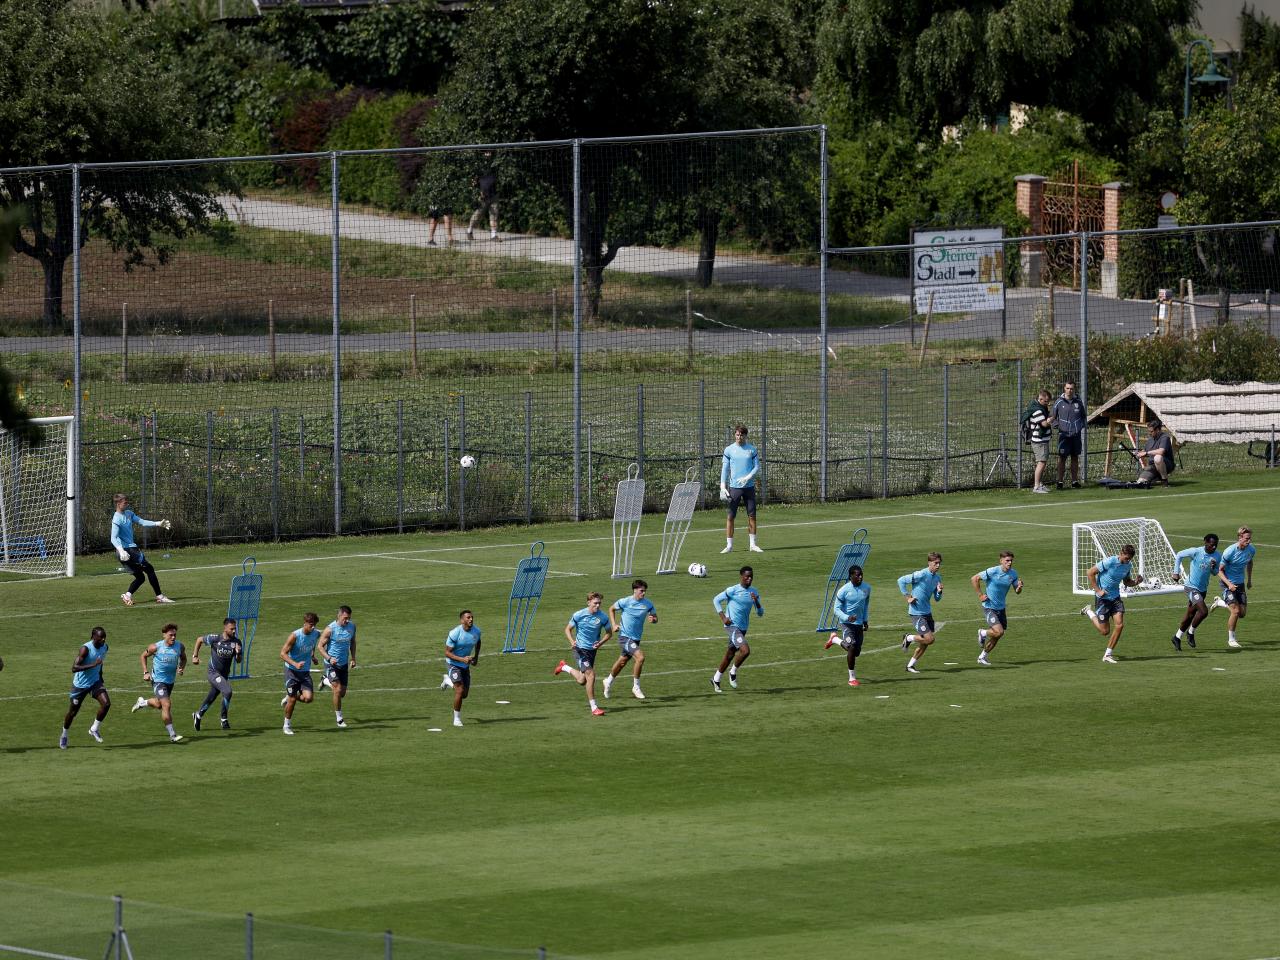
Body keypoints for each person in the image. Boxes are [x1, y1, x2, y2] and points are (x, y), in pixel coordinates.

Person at [1081, 544, 1142, 663]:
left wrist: (1136, 582)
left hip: (1115, 598)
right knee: (1105, 631)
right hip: (1103, 599)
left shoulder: (1128, 566)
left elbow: (1127, 581)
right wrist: (1098, 591)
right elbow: (1090, 572)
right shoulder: (1110, 562)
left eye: (1129, 559)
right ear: (1121, 553)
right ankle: (1088, 611)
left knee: (1120, 625)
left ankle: (1108, 654)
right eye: (1126, 558)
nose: (1127, 561)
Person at [554, 592, 612, 716]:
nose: (597, 605)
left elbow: (609, 633)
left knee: (582, 680)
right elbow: (567, 629)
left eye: (599, 603)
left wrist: (600, 643)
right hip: (579, 649)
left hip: (592, 651)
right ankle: (594, 707)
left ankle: (564, 667)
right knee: (591, 675)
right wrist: (572, 641)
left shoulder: (603, 617)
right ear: (588, 603)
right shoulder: (579, 615)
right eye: (595, 603)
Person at [110, 493, 173, 606]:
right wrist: (121, 550)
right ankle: (160, 596)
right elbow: (113, 538)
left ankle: (127, 595)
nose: (127, 504)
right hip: (127, 551)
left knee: (140, 577)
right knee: (149, 569)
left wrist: (158, 523)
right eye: (125, 502)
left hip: (128, 551)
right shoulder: (116, 519)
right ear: (118, 504)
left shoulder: (129, 514)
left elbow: (142, 521)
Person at [711, 565, 764, 692]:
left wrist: (756, 602)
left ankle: (716, 679)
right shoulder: (733, 590)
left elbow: (760, 613)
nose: (749, 579)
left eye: (751, 577)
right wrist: (723, 617)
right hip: (732, 626)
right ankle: (733, 672)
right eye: (747, 577)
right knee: (745, 651)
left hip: (743, 627)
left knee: (730, 654)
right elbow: (716, 600)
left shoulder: (754, 592)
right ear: (741, 576)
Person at [132, 623, 186, 743]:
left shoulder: (180, 646)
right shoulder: (155, 647)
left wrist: (181, 668)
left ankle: (142, 703)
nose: (173, 637)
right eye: (171, 635)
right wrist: (145, 672)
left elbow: (184, 658)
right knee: (166, 704)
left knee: (158, 705)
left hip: (170, 682)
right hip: (158, 681)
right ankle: (173, 735)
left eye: (175, 635)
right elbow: (143, 656)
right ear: (164, 635)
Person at [604, 579, 657, 701]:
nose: (643, 593)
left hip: (636, 638)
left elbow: (655, 617)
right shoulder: (625, 601)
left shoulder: (648, 603)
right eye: (641, 591)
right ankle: (636, 687)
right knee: (640, 657)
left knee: (622, 662)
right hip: (624, 637)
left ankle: (608, 681)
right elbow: (611, 609)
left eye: (645, 591)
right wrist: (614, 624)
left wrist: (653, 620)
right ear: (635, 590)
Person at [59, 626, 111, 749]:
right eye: (100, 638)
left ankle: (94, 729)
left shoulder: (105, 647)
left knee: (106, 704)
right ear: (93, 637)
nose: (103, 640)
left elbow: (100, 662)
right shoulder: (85, 649)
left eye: (104, 637)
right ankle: (64, 735)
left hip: (95, 682)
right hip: (80, 686)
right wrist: (94, 665)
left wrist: (100, 675)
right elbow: (74, 668)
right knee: (73, 712)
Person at [1170, 534, 1221, 651]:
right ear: (1205, 542)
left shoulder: (1217, 556)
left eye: (1215, 545)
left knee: (1190, 615)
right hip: (1191, 587)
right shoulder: (1196, 552)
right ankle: (1191, 633)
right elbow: (1179, 555)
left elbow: (1214, 572)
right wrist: (1176, 572)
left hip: (1203, 589)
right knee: (1203, 612)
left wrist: (1213, 567)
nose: (1213, 547)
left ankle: (1177, 637)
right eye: (1211, 545)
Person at [971, 551, 1023, 665]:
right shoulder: (993, 571)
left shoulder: (1013, 574)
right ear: (1001, 561)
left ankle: (982, 657)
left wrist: (1019, 587)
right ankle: (983, 632)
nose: (1009, 563)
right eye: (1007, 561)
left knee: (999, 634)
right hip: (989, 607)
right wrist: (980, 595)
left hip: (1001, 608)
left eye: (1011, 561)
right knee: (998, 632)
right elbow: (974, 578)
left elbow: (1017, 591)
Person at [190, 618, 242, 731]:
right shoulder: (215, 638)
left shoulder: (236, 642)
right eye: (231, 629)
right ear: (225, 628)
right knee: (227, 691)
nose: (234, 631)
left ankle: (198, 715)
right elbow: (199, 640)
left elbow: (238, 661)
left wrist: (238, 654)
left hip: (224, 675)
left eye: (235, 628)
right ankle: (224, 719)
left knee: (212, 697)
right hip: (213, 672)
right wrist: (195, 656)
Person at [823, 565, 870, 686]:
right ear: (850, 576)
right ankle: (851, 678)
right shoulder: (843, 590)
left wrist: (865, 620)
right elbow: (836, 609)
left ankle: (834, 639)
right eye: (857, 575)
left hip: (858, 624)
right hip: (847, 624)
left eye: (861, 575)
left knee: (856, 652)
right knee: (851, 647)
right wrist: (847, 617)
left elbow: (865, 606)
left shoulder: (867, 588)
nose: (860, 577)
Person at [720, 425, 763, 553]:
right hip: (734, 488)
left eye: (742, 435)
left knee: (752, 516)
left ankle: (753, 545)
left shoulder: (752, 450)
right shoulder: (729, 450)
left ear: (746, 436)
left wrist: (748, 476)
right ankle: (729, 546)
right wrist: (722, 485)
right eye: (737, 435)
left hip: (749, 487)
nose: (739, 437)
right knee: (730, 516)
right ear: (735, 435)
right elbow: (725, 469)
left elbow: (756, 467)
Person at [1211, 526, 1256, 649]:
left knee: (1242, 614)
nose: (1249, 541)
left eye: (1250, 538)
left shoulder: (1251, 550)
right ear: (1240, 537)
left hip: (1240, 584)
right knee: (1235, 611)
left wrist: (1249, 580)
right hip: (1227, 584)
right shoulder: (1229, 551)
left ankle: (1219, 603)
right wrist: (1229, 584)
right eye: (1247, 538)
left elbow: (1250, 562)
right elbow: (1219, 571)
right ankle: (1231, 639)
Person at [898, 553, 943, 673]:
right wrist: (908, 597)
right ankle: (908, 638)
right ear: (929, 563)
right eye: (935, 563)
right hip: (916, 613)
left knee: (925, 643)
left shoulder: (938, 578)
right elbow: (901, 580)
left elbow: (937, 599)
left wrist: (939, 591)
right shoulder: (921, 574)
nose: (938, 565)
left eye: (939, 563)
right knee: (930, 639)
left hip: (927, 612)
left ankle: (910, 665)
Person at [280, 612, 322, 735]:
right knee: (293, 699)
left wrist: (313, 655)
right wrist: (295, 664)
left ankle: (288, 696)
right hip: (291, 671)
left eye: (314, 625)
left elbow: (314, 641)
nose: (313, 627)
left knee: (308, 698)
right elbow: (282, 653)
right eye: (310, 625)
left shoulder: (315, 633)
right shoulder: (295, 636)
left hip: (304, 672)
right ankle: (286, 725)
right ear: (304, 623)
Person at [318, 605, 357, 728]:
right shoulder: (330, 629)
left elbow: (353, 641)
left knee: (342, 693)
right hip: (331, 664)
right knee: (338, 689)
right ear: (339, 616)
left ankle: (325, 680)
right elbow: (320, 646)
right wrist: (329, 658)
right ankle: (339, 719)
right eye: (345, 618)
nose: (347, 621)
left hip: (343, 664)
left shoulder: (352, 627)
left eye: (349, 618)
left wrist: (353, 658)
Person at [444, 610, 481, 727]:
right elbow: (447, 653)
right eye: (468, 618)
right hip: (453, 664)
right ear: (462, 620)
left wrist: (476, 657)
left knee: (464, 694)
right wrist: (462, 659)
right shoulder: (455, 633)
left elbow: (478, 642)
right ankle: (456, 719)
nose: (471, 619)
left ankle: (447, 681)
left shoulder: (477, 631)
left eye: (472, 617)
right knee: (459, 690)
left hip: (465, 665)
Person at [1051, 380, 1086, 489]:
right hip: (1063, 436)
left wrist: (1080, 427)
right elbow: (1052, 417)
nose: (1069, 391)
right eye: (1067, 388)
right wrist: (1058, 426)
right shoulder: (1059, 402)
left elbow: (1083, 417)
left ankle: (1074, 481)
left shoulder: (1078, 402)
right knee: (1062, 458)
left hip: (1076, 435)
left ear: (1074, 389)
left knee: (1075, 457)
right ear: (1064, 389)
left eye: (1071, 388)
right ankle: (1060, 482)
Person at [466, 153, 501, 242]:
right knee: (477, 215)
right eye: (486, 153)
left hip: (493, 195)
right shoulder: (479, 167)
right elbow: (473, 182)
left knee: (494, 215)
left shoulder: (494, 166)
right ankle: (469, 231)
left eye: (489, 153)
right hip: (483, 196)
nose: (488, 154)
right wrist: (478, 190)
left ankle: (494, 235)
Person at [1023, 390, 1053, 493]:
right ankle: (1036, 486)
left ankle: (1040, 484)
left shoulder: (1041, 407)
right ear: (1040, 399)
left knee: (1042, 462)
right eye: (1046, 401)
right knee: (1041, 462)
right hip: (1039, 441)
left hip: (1042, 440)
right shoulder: (1037, 411)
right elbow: (1044, 424)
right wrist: (1051, 420)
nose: (1047, 403)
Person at [1134, 419, 1175, 486]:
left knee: (1158, 458)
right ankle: (1155, 477)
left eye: (1151, 431)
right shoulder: (1150, 439)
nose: (1149, 433)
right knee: (1141, 482)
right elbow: (1145, 451)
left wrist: (1147, 453)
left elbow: (1161, 451)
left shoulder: (1165, 437)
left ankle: (1164, 481)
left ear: (1158, 430)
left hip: (1166, 464)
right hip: (1152, 466)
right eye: (1149, 431)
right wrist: (1138, 453)